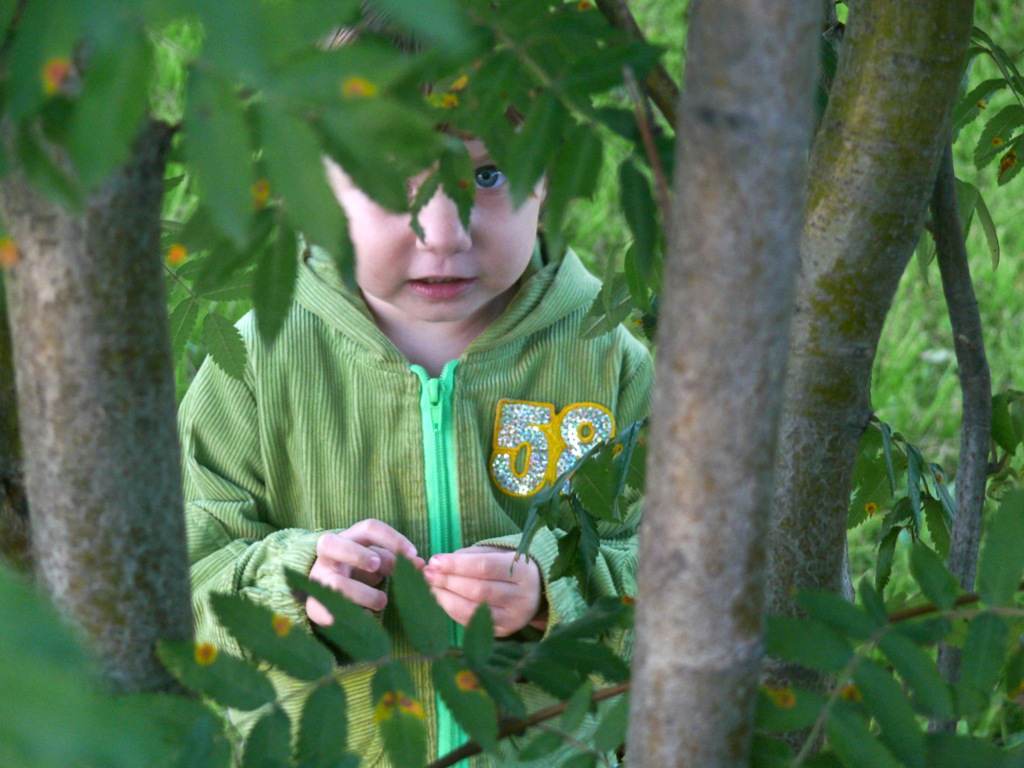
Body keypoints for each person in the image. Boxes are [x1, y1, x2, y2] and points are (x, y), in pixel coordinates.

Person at [179, 133, 654, 766]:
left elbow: (688, 570)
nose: (442, 232)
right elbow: (183, 575)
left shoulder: (608, 362)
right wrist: (292, 590)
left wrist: (555, 592)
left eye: (486, 178)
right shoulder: (256, 368)